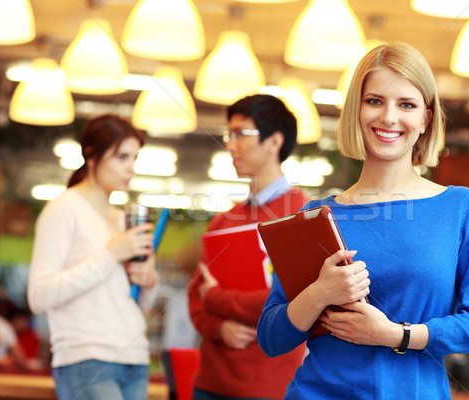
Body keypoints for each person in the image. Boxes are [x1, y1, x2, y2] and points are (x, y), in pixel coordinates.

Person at [257, 43, 469, 399]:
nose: (388, 117)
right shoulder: (315, 216)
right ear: (357, 111)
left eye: (406, 105)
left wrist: (395, 334)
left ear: (425, 119)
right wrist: (320, 293)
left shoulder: (459, 207)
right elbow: (270, 337)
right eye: (375, 101)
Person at [187, 94, 310, 400]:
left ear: (274, 142)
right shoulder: (223, 221)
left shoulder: (303, 215)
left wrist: (218, 298)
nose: (230, 144)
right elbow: (194, 296)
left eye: (241, 134)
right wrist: (218, 328)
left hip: (271, 386)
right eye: (230, 134)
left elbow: (299, 301)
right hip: (210, 383)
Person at [27, 114, 159, 400]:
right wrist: (111, 255)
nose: (131, 168)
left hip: (135, 357)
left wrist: (147, 282)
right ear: (92, 156)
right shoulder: (64, 208)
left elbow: (133, 306)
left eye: (135, 158)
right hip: (87, 358)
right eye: (122, 157)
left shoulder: (119, 218)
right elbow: (38, 296)